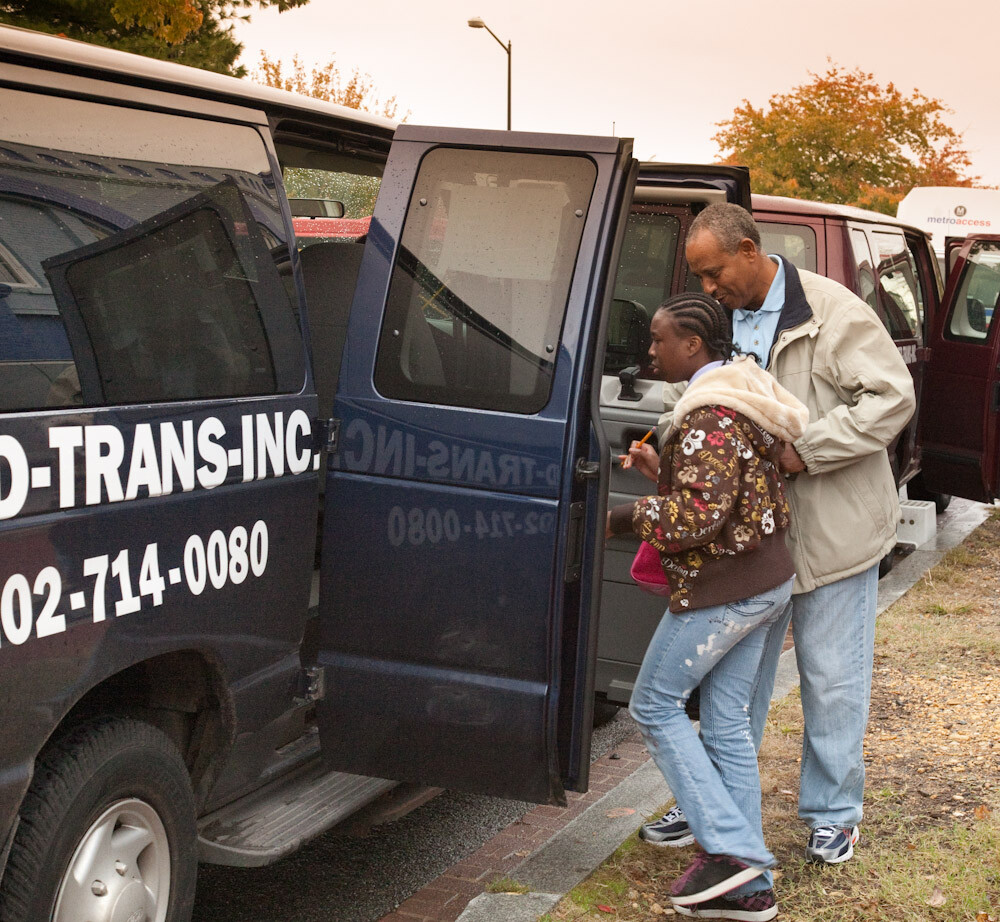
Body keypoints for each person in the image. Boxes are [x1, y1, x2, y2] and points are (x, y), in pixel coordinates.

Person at [642, 202, 916, 868]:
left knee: (832, 679)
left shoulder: (834, 312)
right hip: (753, 543)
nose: (708, 288)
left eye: (713, 273)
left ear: (746, 248)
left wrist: (810, 449)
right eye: (699, 278)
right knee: (735, 686)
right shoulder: (720, 321)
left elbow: (892, 397)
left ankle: (832, 814)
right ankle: (711, 801)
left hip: (831, 532)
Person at [607, 292, 808, 920]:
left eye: (660, 339)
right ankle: (747, 890)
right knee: (724, 723)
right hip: (764, 580)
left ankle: (733, 852)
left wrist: (621, 518)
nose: (650, 349)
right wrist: (659, 471)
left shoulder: (707, 415)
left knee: (653, 705)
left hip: (726, 592)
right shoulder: (738, 395)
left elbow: (699, 515)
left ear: (692, 345)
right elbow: (723, 492)